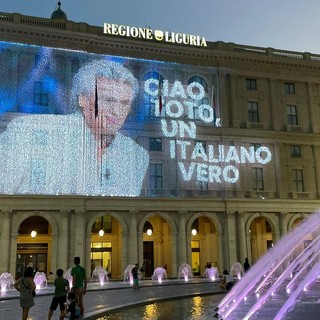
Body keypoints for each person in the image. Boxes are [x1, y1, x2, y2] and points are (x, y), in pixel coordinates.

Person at [0, 60, 149, 196]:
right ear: (83, 99)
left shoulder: (136, 155)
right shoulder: (27, 130)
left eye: (124, 103)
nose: (116, 111)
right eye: (108, 100)